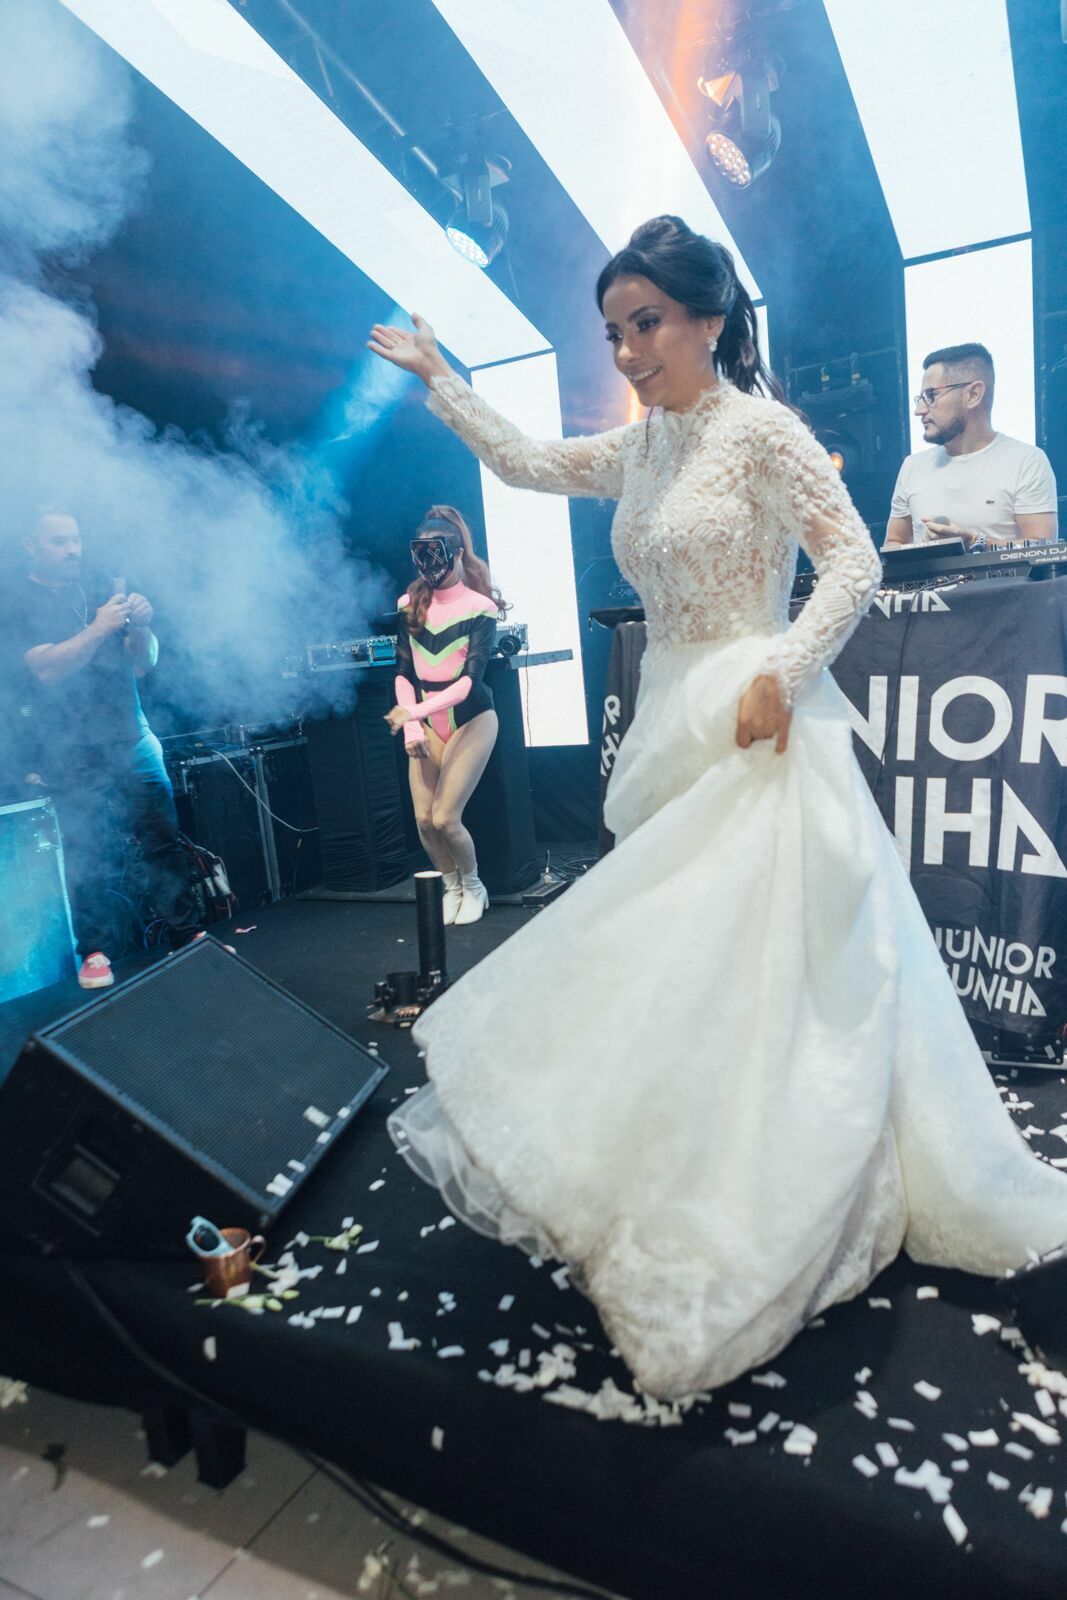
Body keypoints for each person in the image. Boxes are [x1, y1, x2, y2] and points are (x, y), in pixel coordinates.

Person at [369, 216, 1067, 1400]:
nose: (629, 350)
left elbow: (849, 561)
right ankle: (662, 1170)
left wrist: (778, 676)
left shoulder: (760, 431)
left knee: (775, 967)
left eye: (646, 324)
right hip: (668, 718)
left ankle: (771, 1192)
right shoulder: (641, 449)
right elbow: (531, 463)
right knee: (677, 967)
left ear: (706, 319)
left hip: (760, 717)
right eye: (612, 331)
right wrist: (445, 384)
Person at [12, 511, 201, 988]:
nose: (72, 549)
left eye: (75, 539)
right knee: (86, 849)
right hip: (68, 745)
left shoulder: (99, 587)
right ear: (31, 545)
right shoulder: (16, 599)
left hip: (130, 733)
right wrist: (100, 626)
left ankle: (187, 933)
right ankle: (95, 953)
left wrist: (142, 625)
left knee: (162, 838)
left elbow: (143, 665)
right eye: (59, 541)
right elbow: (45, 670)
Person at [384, 507, 505, 926]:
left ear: (455, 555)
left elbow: (468, 683)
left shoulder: (480, 607)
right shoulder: (408, 604)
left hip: (470, 717)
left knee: (445, 819)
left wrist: (411, 713)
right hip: (426, 719)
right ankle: (451, 886)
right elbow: (403, 673)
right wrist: (413, 725)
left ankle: (474, 886)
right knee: (422, 820)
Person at [884, 342, 1058, 551]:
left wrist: (975, 543)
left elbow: (1044, 546)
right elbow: (893, 543)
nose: (920, 410)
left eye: (931, 395)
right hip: (929, 585)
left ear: (973, 394)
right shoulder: (912, 467)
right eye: (920, 398)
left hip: (1005, 585)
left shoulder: (1026, 461)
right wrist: (920, 553)